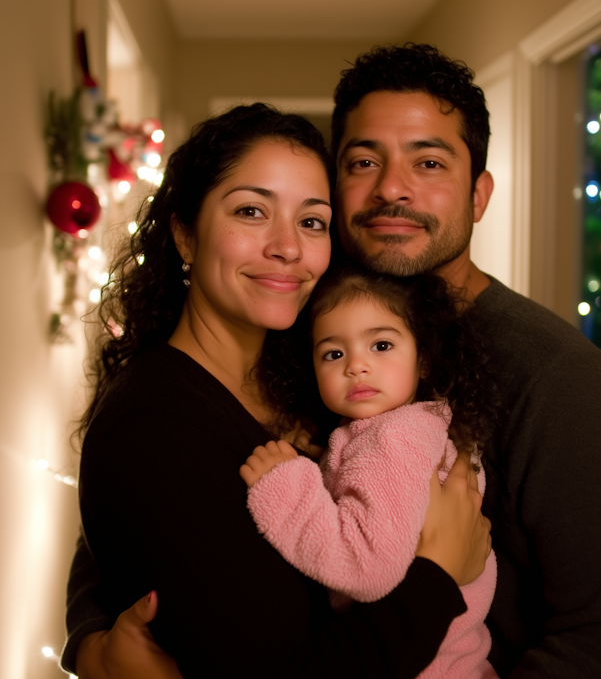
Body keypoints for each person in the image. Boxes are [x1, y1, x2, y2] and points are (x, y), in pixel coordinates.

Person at [65, 43, 601, 678]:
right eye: (365, 161)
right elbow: (151, 511)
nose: (393, 188)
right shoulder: (304, 331)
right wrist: (94, 636)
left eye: (428, 161)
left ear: (478, 196)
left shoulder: (561, 380)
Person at [66, 102, 491, 679]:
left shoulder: (315, 374)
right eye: (251, 211)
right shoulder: (156, 423)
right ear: (185, 235)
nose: (288, 247)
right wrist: (441, 572)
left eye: (311, 221)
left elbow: (131, 542)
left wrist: (87, 631)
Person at [240, 264, 499, 679]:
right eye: (334, 353)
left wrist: (287, 486)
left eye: (380, 345)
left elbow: (367, 568)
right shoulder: (413, 426)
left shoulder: (394, 440)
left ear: (424, 359)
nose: (356, 366)